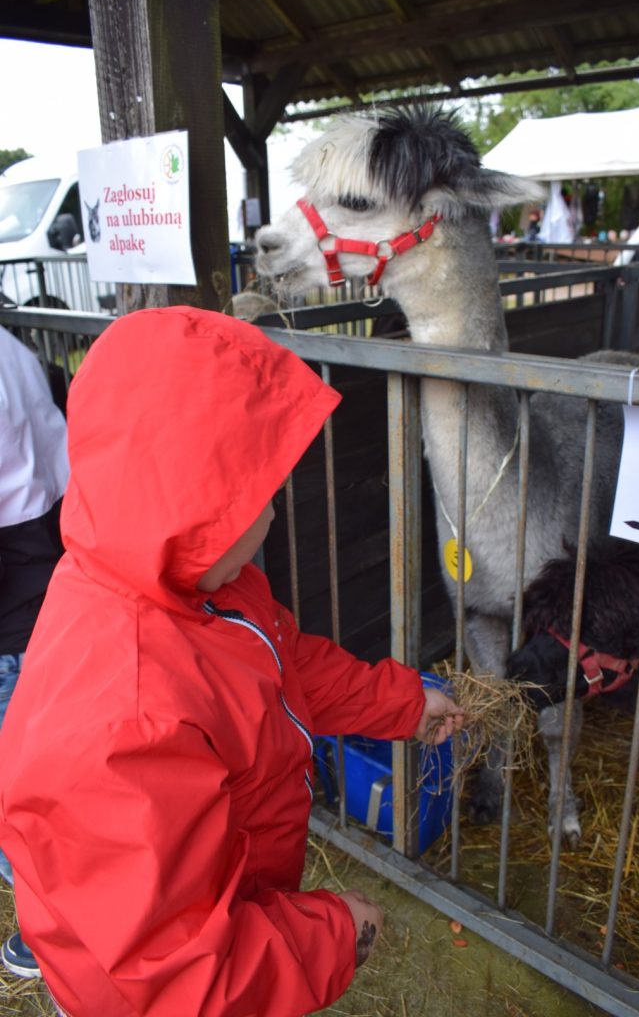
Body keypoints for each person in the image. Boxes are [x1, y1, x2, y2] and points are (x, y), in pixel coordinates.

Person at [0, 306, 462, 1017]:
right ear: (184, 497)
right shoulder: (124, 720)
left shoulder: (185, 579)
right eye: (251, 493)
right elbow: (168, 980)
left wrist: (399, 702)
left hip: (230, 895)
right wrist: (334, 933)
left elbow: (280, 666)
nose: (274, 514)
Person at [0, 325, 69, 979]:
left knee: (24, 792)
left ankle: (47, 930)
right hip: (50, 590)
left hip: (14, 619)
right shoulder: (13, 349)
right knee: (44, 781)